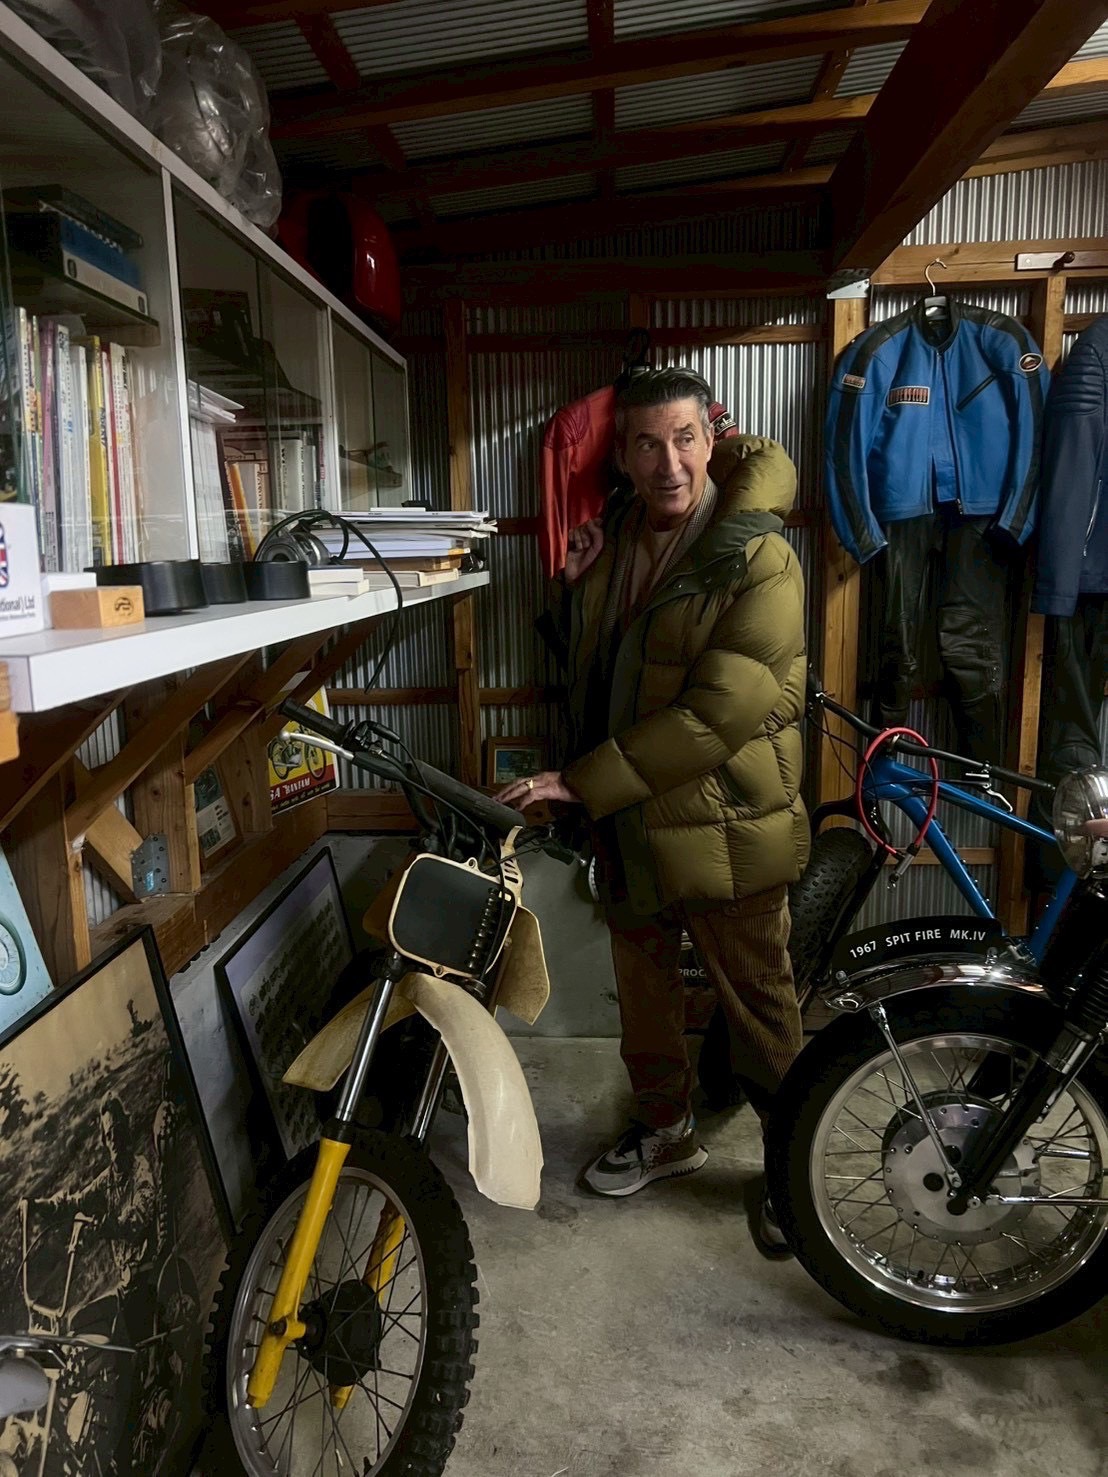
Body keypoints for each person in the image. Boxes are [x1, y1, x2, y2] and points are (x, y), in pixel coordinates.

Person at [498, 367, 809, 1249]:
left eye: (683, 439)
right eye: (646, 443)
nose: (668, 463)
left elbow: (718, 713)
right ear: (624, 456)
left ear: (712, 439)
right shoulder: (621, 533)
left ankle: (794, 1169)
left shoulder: (758, 554)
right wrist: (573, 590)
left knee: (760, 1008)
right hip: (633, 816)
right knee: (643, 994)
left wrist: (581, 782)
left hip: (726, 818)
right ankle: (666, 1130)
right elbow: (604, 673)